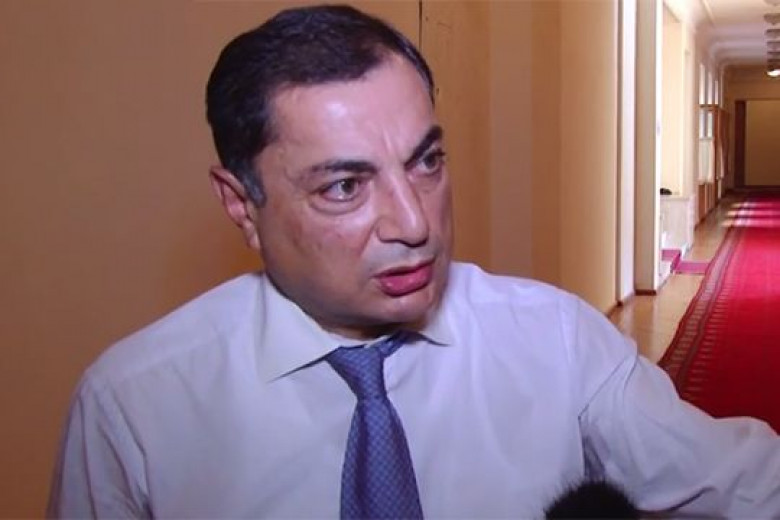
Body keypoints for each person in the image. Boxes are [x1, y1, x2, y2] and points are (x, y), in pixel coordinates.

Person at [47, 4, 780, 518]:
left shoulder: (556, 340)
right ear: (242, 205)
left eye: (426, 161)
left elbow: (742, 483)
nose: (414, 222)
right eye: (344, 186)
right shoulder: (132, 408)